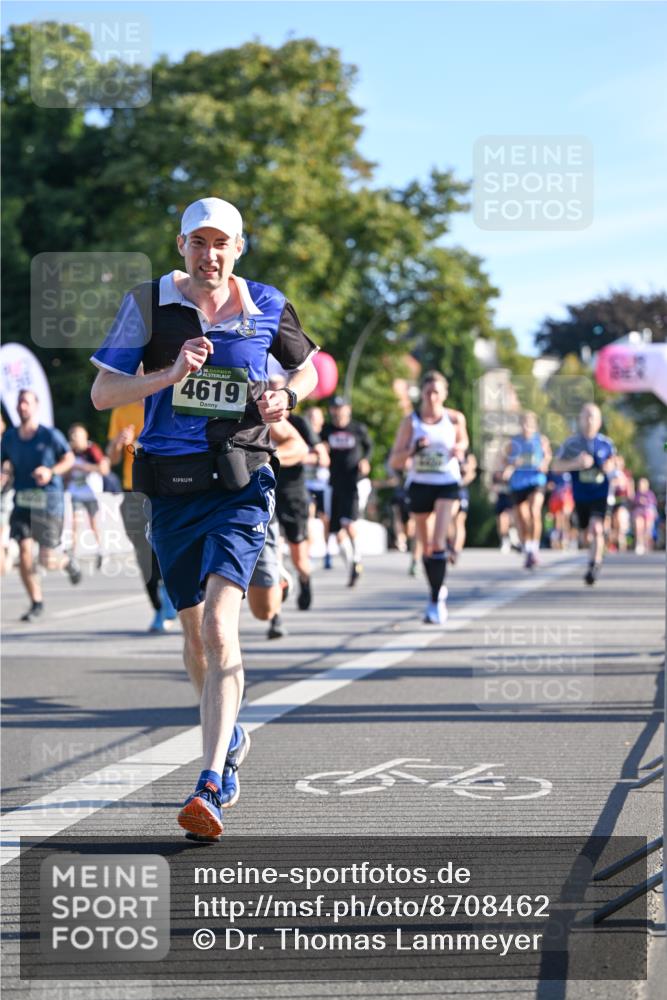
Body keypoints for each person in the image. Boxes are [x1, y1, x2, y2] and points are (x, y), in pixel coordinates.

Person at [90, 196, 318, 840]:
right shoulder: (146, 305)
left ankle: (210, 782)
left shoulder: (267, 305)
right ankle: (232, 730)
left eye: (221, 243)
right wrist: (167, 374)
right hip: (170, 487)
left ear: (238, 248)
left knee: (222, 625)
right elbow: (104, 393)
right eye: (198, 242)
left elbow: (309, 370)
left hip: (242, 479)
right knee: (195, 637)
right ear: (181, 246)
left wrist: (285, 395)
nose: (209, 254)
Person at [390, 371, 467, 624]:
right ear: (421, 394)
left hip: (447, 482)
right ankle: (435, 591)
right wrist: (414, 449)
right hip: (420, 483)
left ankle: (436, 601)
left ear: (444, 394)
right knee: (426, 545)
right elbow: (396, 461)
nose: (432, 397)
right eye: (428, 392)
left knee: (438, 540)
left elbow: (464, 443)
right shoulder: (410, 422)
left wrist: (460, 450)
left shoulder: (455, 419)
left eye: (437, 392)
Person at [0, 389, 81, 620]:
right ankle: (36, 602)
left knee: (47, 558)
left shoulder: (49, 435)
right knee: (24, 552)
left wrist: (50, 471)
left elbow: (69, 459)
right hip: (23, 500)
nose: (21, 406)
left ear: (36, 406)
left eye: (26, 402)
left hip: (49, 500)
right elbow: (4, 463)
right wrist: (4, 475)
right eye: (19, 402)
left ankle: (66, 561)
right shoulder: (10, 438)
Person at [106, 402, 178, 633]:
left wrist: (138, 444)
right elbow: (112, 459)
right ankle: (157, 607)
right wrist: (118, 444)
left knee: (166, 547)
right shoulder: (121, 410)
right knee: (143, 554)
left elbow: (173, 442)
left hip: (163, 488)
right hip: (132, 491)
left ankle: (171, 594)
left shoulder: (166, 402)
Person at [247, 418, 308, 640]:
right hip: (194, 499)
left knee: (264, 609)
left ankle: (278, 576)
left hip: (264, 498)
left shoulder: (255, 398)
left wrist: (263, 458)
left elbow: (300, 447)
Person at [267, 373, 318, 611]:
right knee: (272, 552)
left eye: (279, 391)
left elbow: (320, 455)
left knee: (298, 556)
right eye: (271, 389)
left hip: (294, 492)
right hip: (268, 492)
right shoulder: (262, 418)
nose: (274, 395)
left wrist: (277, 457)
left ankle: (305, 579)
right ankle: (274, 610)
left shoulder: (298, 424)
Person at [551, 403, 616, 585]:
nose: (588, 421)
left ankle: (594, 565)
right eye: (585, 417)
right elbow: (555, 466)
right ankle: (595, 554)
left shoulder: (606, 444)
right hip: (580, 496)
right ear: (579, 420)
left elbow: (614, 465)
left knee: (597, 528)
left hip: (600, 494)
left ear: (599, 421)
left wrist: (608, 466)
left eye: (592, 417)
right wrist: (576, 464)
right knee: (585, 535)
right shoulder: (571, 444)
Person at [321, 396, 372, 586]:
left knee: (349, 524)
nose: (338, 412)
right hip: (334, 482)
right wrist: (322, 450)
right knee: (336, 531)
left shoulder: (358, 429)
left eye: (341, 408)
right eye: (335, 408)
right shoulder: (326, 430)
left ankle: (357, 557)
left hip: (353, 483)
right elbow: (319, 448)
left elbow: (368, 448)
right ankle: (353, 565)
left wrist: (365, 461)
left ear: (348, 410)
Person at [502, 411, 551, 569]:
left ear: (534, 426)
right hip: (518, 483)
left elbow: (547, 456)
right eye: (523, 423)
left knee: (534, 511)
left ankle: (534, 547)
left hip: (536, 480)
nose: (526, 427)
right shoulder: (513, 442)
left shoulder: (540, 440)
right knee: (522, 517)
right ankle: (528, 548)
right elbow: (505, 460)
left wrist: (544, 463)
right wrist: (511, 465)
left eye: (529, 424)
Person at [66, 423, 110, 568]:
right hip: (76, 493)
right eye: (72, 435)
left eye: (77, 435)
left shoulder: (92, 450)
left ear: (85, 436)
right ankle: (73, 555)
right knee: (74, 523)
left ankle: (101, 551)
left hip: (92, 494)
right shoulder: (69, 452)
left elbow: (103, 469)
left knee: (93, 523)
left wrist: (83, 467)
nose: (74, 438)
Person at [448, 451, 477, 564]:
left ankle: (456, 550)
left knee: (459, 521)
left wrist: (460, 483)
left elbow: (471, 473)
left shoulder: (468, 455)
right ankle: (449, 545)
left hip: (460, 491)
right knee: (449, 519)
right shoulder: (448, 450)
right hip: (448, 490)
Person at [609, 456, 634, 552]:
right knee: (613, 523)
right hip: (611, 500)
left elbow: (628, 487)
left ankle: (622, 541)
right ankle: (615, 542)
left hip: (622, 500)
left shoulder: (626, 473)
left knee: (620, 519)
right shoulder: (610, 473)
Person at [632, 477, 658, 555]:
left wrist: (645, 502)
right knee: (639, 527)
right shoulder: (637, 494)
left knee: (647, 528)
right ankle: (639, 544)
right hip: (638, 512)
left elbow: (653, 504)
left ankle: (647, 544)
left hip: (648, 513)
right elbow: (633, 503)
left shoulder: (650, 494)